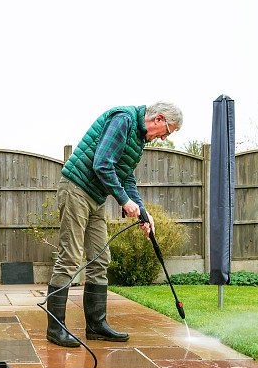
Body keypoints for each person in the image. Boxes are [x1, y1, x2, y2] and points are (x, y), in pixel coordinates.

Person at [46, 102, 182, 347]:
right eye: (167, 132)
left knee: (100, 259)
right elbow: (102, 163)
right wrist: (124, 201)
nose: (163, 138)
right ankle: (55, 329)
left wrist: (141, 211)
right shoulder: (124, 120)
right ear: (159, 119)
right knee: (70, 258)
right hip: (76, 189)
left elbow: (125, 174)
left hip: (95, 198)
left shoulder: (138, 138)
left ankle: (97, 326)